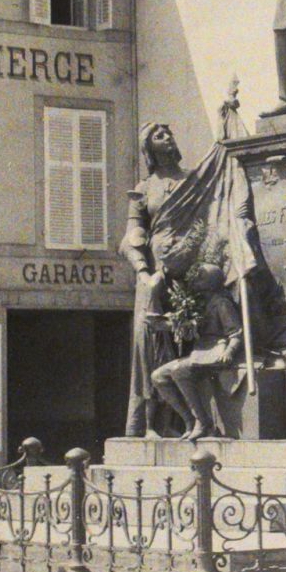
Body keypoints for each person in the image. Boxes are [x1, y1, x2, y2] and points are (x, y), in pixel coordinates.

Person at [122, 122, 187, 437]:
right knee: (151, 347)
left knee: (183, 343)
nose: (167, 137)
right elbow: (132, 236)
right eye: (158, 135)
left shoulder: (192, 181)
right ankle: (152, 426)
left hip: (188, 273)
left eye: (168, 133)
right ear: (149, 148)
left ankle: (185, 421)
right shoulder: (144, 188)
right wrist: (144, 272)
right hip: (153, 278)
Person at [150, 262, 244, 440]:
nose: (195, 281)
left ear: (210, 282)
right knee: (158, 376)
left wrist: (230, 351)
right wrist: (167, 325)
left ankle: (203, 421)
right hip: (200, 351)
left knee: (180, 370)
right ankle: (190, 421)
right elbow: (191, 331)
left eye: (200, 277)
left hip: (216, 351)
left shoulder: (221, 303)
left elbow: (236, 332)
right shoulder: (198, 303)